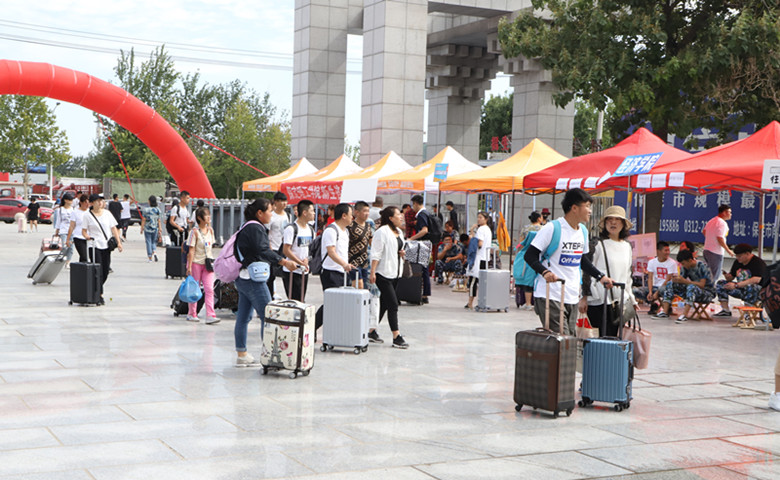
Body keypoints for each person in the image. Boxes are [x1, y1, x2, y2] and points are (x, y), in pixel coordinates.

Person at [523, 189, 613, 335]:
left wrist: (600, 277)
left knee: (568, 341)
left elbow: (582, 260)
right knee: (562, 341)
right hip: (550, 294)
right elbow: (530, 255)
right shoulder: (552, 228)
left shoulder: (582, 231)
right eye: (587, 206)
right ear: (574, 208)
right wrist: (545, 272)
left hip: (571, 294)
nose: (590, 211)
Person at [234, 198, 299, 366]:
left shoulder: (247, 226)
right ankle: (270, 355)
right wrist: (284, 262)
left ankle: (242, 354)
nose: (271, 214)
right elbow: (264, 251)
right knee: (268, 316)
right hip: (254, 280)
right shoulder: (256, 228)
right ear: (260, 213)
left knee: (243, 317)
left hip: (243, 276)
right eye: (269, 210)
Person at [581, 205, 638, 337]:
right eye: (609, 219)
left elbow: (627, 276)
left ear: (623, 224)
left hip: (620, 300)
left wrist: (632, 299)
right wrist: (584, 297)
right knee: (600, 338)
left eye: (617, 219)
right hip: (599, 298)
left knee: (614, 338)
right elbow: (587, 271)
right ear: (604, 223)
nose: (613, 222)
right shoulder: (597, 244)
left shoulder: (627, 246)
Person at [369, 206, 409, 348]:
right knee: (393, 304)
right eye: (398, 214)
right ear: (390, 218)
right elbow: (376, 253)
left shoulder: (399, 232)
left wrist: (401, 253)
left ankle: (371, 331)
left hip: (395, 272)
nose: (401, 216)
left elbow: (398, 247)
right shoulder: (381, 232)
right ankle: (396, 336)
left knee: (385, 304)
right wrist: (372, 272)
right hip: (383, 273)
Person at [316, 203, 355, 331]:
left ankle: (336, 330)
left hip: (342, 272)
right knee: (331, 304)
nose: (352, 218)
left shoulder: (346, 231)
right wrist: (344, 264)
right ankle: (312, 328)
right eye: (351, 215)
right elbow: (331, 252)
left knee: (340, 303)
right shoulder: (331, 230)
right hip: (331, 272)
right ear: (344, 216)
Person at [81, 193, 124, 305]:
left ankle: (96, 288)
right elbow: (84, 231)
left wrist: (118, 242)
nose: (100, 203)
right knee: (98, 270)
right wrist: (87, 237)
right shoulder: (87, 215)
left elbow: (113, 228)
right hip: (94, 245)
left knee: (105, 271)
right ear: (92, 203)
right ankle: (99, 295)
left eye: (102, 201)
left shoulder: (107, 214)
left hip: (106, 245)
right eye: (98, 201)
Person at [657, 249, 715, 324]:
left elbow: (702, 285)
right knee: (670, 284)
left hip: (707, 293)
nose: (682, 266)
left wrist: (685, 281)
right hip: (693, 291)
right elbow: (681, 280)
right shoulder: (685, 267)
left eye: (683, 263)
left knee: (691, 287)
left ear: (690, 260)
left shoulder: (702, 266)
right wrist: (676, 280)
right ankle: (665, 311)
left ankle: (684, 315)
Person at [713, 243, 767, 317]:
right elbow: (732, 277)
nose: (738, 258)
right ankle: (725, 310)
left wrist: (736, 285)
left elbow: (757, 279)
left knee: (751, 286)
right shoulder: (737, 262)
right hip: (740, 289)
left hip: (757, 292)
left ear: (747, 254)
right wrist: (727, 276)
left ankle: (747, 312)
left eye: (740, 256)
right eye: (736, 256)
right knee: (721, 283)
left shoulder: (758, 263)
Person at [186, 207, 219, 324]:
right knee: (194, 289)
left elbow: (211, 247)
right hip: (196, 263)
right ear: (199, 218)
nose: (209, 218)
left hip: (208, 264)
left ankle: (210, 315)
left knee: (209, 289)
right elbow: (191, 250)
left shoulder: (210, 230)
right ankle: (192, 313)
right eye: (206, 216)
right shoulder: (194, 232)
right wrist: (189, 267)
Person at [282, 200, 315, 301]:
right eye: (312, 211)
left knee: (301, 299)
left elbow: (311, 249)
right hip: (292, 271)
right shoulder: (291, 229)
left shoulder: (310, 229)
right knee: (294, 301)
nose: (314, 213)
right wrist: (299, 262)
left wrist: (307, 260)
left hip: (304, 270)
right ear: (304, 213)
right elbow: (286, 250)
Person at [464, 211, 493, 310]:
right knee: (482, 281)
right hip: (485, 258)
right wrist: (472, 230)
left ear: (486, 219)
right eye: (478, 217)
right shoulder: (488, 229)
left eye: (481, 217)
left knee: (473, 280)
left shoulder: (481, 229)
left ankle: (470, 302)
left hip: (479, 258)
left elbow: (479, 244)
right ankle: (483, 301)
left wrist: (473, 239)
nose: (478, 219)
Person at [514, 214, 543, 310]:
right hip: (540, 255)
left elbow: (521, 243)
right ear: (539, 218)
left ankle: (527, 303)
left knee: (527, 280)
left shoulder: (525, 229)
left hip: (527, 255)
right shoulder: (544, 228)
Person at [408, 195, 434, 303]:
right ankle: (425, 294)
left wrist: (411, 239)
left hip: (423, 244)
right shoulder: (427, 213)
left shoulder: (421, 215)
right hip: (427, 244)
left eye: (413, 205)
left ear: (415, 203)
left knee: (422, 269)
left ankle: (424, 294)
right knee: (424, 269)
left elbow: (424, 230)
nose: (412, 207)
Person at [267, 192, 291, 297]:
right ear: (276, 202)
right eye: (282, 201)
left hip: (283, 248)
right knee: (271, 276)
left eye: (285, 201)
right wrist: (270, 248)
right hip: (273, 248)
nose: (285, 203)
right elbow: (266, 232)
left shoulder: (287, 215)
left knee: (285, 274)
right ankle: (269, 297)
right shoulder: (271, 216)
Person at [644, 241, 678, 316]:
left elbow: (668, 279)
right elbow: (650, 278)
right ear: (658, 251)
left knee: (664, 289)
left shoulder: (672, 263)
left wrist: (657, 293)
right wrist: (650, 291)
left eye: (668, 250)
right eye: (665, 250)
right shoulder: (651, 262)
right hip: (655, 287)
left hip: (666, 288)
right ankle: (653, 305)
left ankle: (667, 307)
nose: (667, 252)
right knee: (636, 291)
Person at [702, 204, 735, 281]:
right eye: (729, 212)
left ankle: (707, 290)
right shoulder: (722, 223)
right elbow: (720, 238)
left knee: (708, 274)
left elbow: (704, 231)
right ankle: (711, 291)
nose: (731, 214)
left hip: (707, 250)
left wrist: (710, 240)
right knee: (714, 276)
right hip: (715, 252)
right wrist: (728, 250)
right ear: (724, 213)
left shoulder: (712, 220)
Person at [347, 201, 373, 289]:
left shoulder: (368, 226)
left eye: (368, 211)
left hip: (364, 262)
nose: (367, 214)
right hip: (352, 261)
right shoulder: (350, 226)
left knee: (364, 287)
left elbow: (371, 241)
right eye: (364, 211)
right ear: (356, 212)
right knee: (359, 285)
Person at [66, 194, 90, 263]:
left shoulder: (90, 212)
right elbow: (72, 226)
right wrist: (68, 239)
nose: (87, 204)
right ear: (81, 202)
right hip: (78, 237)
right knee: (84, 256)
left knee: (84, 257)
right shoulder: (75, 212)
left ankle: (82, 271)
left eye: (88, 202)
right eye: (85, 202)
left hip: (89, 236)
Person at [140, 195, 163, 262]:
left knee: (148, 242)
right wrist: (160, 228)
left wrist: (142, 228)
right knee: (153, 242)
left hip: (147, 228)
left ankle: (150, 257)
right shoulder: (158, 210)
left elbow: (143, 219)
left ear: (149, 201)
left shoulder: (146, 210)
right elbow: (159, 220)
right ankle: (155, 252)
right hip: (155, 228)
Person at [54, 193, 75, 267]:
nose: (71, 201)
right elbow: (58, 221)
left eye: (72, 200)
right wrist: (57, 231)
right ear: (65, 200)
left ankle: (68, 262)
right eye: (70, 199)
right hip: (63, 230)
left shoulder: (73, 209)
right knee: (64, 246)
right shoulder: (60, 210)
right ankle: (62, 258)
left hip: (72, 231)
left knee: (71, 247)